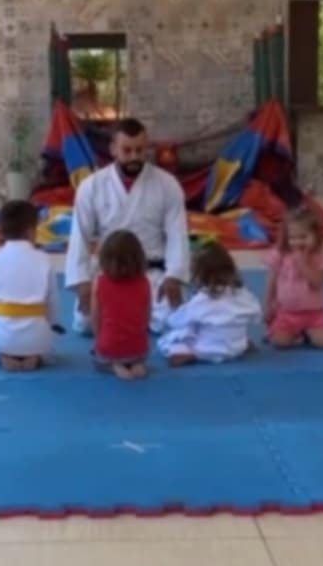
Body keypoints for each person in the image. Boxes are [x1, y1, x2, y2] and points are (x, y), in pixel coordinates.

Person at [64, 116, 191, 335]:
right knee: (85, 323)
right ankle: (130, 319)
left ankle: (129, 318)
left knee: (172, 318)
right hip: (107, 273)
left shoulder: (167, 185)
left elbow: (177, 234)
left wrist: (175, 276)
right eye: (127, 150)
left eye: (140, 150)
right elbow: (80, 236)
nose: (134, 157)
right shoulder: (91, 186)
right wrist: (82, 282)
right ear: (113, 149)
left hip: (150, 272)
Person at [0, 199, 61, 371]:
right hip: (36, 337)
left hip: (1, 335)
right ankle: (36, 357)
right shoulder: (44, 260)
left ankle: (1, 355)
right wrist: (51, 326)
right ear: (31, 231)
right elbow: (53, 304)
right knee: (44, 341)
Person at [158, 243, 261, 366]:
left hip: (207, 350)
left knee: (174, 337)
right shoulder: (242, 294)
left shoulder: (203, 300)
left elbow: (176, 321)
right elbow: (256, 316)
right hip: (236, 348)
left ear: (199, 274)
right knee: (229, 326)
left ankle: (186, 353)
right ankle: (239, 341)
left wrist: (175, 304)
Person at [264, 206, 323, 349]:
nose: (297, 242)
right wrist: (268, 305)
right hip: (287, 312)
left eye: (303, 237)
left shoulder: (321, 256)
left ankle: (306, 332)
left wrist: (303, 264)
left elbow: (317, 283)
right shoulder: (281, 254)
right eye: (292, 238)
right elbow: (272, 280)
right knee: (280, 343)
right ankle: (290, 331)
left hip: (314, 314)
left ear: (316, 235)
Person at [91, 229, 151, 380]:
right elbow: (147, 316)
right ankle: (137, 364)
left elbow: (95, 318)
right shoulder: (145, 282)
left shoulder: (99, 283)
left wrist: (98, 341)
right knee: (136, 351)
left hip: (109, 348)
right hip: (139, 349)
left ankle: (114, 366)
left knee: (96, 357)